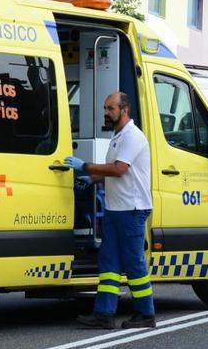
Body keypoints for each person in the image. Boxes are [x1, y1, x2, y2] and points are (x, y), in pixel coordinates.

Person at [64, 92, 155, 330]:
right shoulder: (117, 137)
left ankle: (146, 313)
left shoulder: (132, 136)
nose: (106, 112)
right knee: (109, 262)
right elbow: (110, 173)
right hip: (117, 209)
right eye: (105, 108)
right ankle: (104, 313)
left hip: (131, 210)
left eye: (110, 108)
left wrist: (84, 165)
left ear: (124, 110)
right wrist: (91, 178)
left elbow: (119, 169)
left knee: (134, 263)